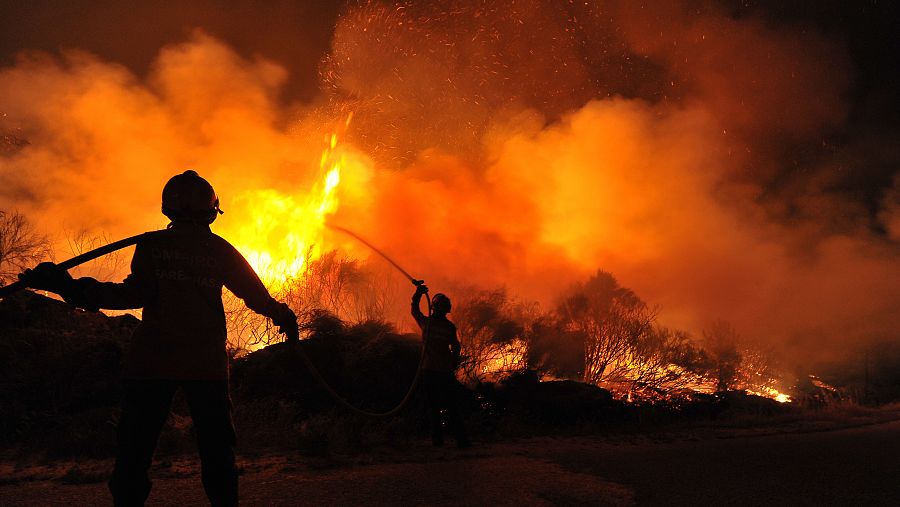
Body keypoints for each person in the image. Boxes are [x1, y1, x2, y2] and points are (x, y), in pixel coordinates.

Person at [18, 170, 298, 506]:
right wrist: (284, 316)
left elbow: (129, 296)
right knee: (217, 451)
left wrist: (67, 285)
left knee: (134, 451)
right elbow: (257, 297)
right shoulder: (220, 250)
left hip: (151, 361)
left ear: (168, 209)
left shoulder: (152, 245)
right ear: (212, 211)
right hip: (204, 364)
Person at [411, 284, 470, 448]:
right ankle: (461, 440)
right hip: (445, 371)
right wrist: (454, 362)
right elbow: (456, 347)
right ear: (446, 310)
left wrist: (418, 294)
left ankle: (438, 441)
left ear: (433, 308)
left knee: (433, 407)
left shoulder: (426, 323)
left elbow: (415, 310)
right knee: (452, 406)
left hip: (429, 370)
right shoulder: (449, 327)